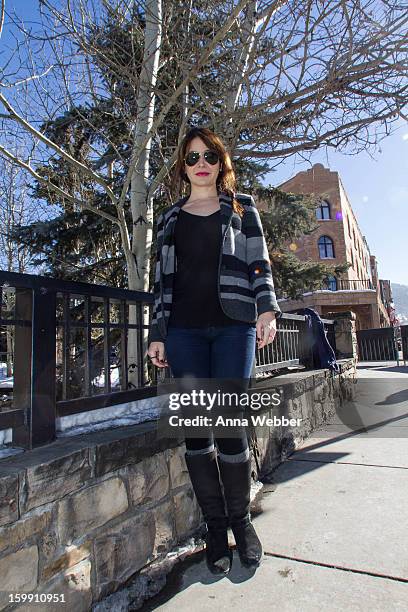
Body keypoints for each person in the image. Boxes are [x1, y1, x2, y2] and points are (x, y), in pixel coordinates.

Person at [147, 127, 281, 575]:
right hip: (183, 332)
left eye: (208, 156)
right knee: (196, 431)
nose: (200, 163)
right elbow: (160, 283)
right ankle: (214, 528)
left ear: (220, 162)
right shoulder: (169, 219)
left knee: (227, 427)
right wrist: (158, 332)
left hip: (233, 329)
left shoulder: (241, 209)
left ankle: (241, 524)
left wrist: (267, 309)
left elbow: (259, 263)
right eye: (191, 158)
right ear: (182, 167)